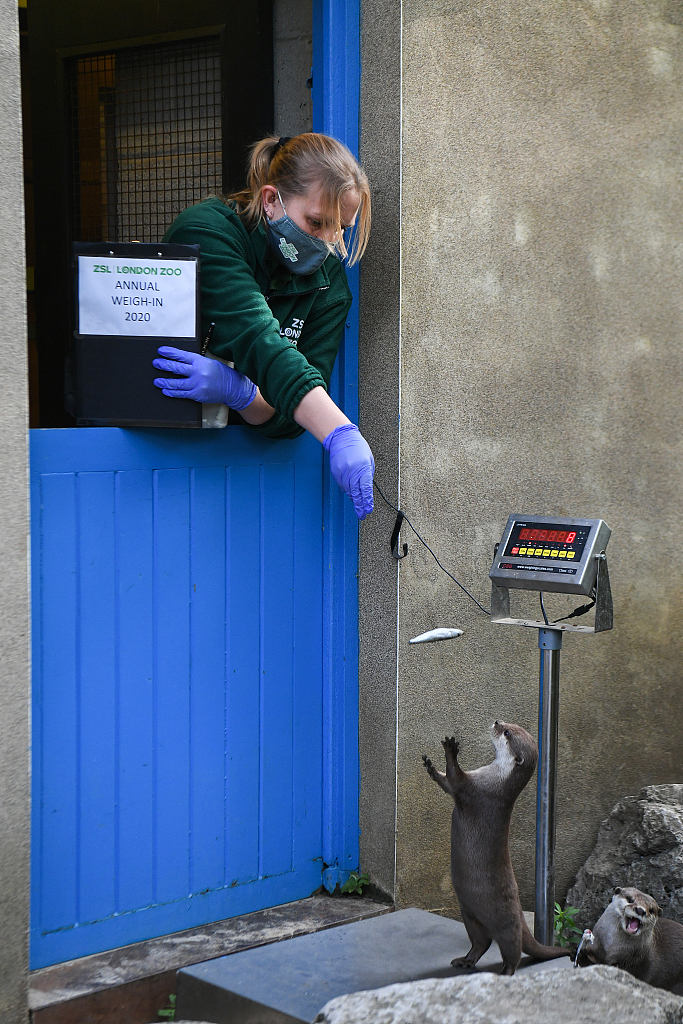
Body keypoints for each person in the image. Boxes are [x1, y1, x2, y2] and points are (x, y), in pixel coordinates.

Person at [152, 133, 375, 520]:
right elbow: (259, 338)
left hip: (246, 498)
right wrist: (337, 430)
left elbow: (291, 421)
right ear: (272, 200)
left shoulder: (330, 286)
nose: (328, 242)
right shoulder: (209, 232)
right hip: (161, 463)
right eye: (317, 222)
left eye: (340, 228)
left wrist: (240, 393)